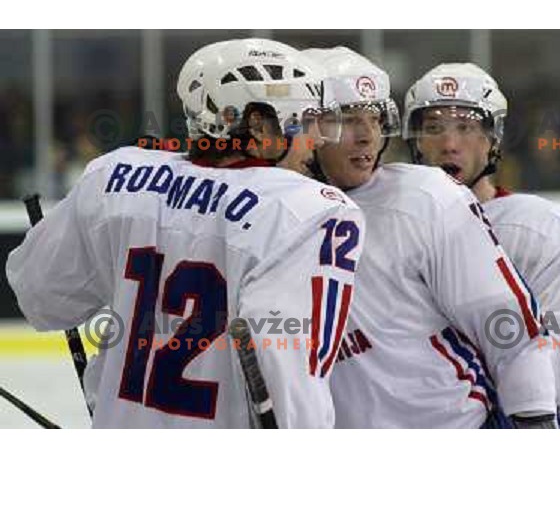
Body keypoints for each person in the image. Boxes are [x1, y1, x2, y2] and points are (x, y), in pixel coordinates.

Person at [6, 38, 364, 428]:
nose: (314, 142)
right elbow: (286, 368)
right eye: (304, 122)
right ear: (259, 126)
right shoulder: (312, 209)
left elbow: (39, 297)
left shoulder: (115, 176)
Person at [304, 46, 557, 428]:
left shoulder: (425, 197)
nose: (367, 136)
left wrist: (534, 417)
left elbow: (505, 321)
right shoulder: (272, 207)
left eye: (374, 119)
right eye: (348, 119)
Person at [403, 62, 560, 424]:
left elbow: (558, 375)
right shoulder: (384, 226)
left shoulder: (545, 230)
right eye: (433, 128)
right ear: (414, 140)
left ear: (494, 138)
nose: (449, 143)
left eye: (466, 127)